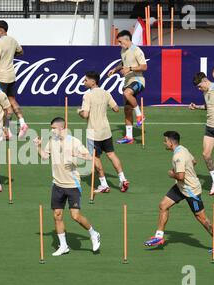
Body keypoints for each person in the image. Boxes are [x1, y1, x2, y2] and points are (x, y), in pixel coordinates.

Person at [144, 131, 214, 254]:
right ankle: (159, 236)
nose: (164, 143)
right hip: (181, 187)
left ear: (171, 143)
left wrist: (172, 174)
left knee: (201, 218)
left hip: (191, 191)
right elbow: (194, 161)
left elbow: (181, 176)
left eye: (165, 141)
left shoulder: (178, 157)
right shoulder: (183, 149)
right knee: (163, 205)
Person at [34, 117, 101, 256]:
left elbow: (90, 156)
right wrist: (38, 146)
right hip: (57, 184)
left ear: (61, 128)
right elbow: (45, 157)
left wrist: (77, 154)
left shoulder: (74, 141)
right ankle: (63, 246)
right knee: (57, 215)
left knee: (75, 216)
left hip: (72, 185)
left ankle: (93, 234)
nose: (51, 131)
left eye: (53, 128)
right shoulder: (52, 141)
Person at [77, 71, 129, 193]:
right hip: (106, 131)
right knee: (111, 154)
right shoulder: (106, 93)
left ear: (93, 81)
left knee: (95, 158)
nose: (84, 82)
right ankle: (122, 178)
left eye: (85, 80)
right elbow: (116, 109)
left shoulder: (87, 95)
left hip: (93, 133)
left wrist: (78, 111)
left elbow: (85, 115)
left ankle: (104, 184)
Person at [107, 30, 147, 144]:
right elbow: (123, 63)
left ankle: (140, 115)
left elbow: (144, 67)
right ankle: (129, 137)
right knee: (127, 110)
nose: (119, 44)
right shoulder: (123, 50)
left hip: (138, 80)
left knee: (127, 93)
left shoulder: (137, 50)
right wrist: (115, 69)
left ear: (126, 39)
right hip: (127, 82)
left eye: (120, 41)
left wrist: (129, 69)